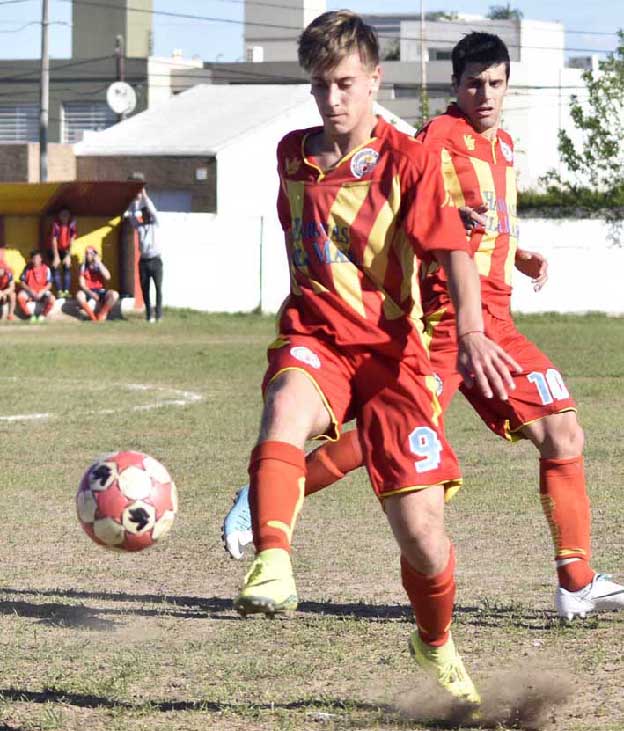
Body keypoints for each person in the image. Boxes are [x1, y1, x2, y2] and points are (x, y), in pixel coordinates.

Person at [223, 32, 624, 622]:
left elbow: (476, 222)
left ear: (509, 85)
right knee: (393, 436)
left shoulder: (505, 146)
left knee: (563, 433)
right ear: (454, 87)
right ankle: (269, 492)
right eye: (471, 84)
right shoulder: (436, 138)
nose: (483, 95)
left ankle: (576, 580)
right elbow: (413, 203)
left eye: (494, 84)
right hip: (441, 322)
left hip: (496, 322)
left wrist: (518, 253)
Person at [232, 11, 519, 707]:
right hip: (318, 336)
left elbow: (452, 248)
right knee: (285, 410)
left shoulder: (409, 159)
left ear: (374, 80)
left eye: (345, 85)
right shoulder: (291, 154)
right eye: (321, 87)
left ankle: (435, 639)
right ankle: (272, 559)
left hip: (395, 355)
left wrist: (475, 334)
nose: (333, 101)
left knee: (424, 536)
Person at [126, 189, 163, 322]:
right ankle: (149, 314)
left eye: (147, 213)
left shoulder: (156, 224)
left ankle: (159, 314)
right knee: (145, 289)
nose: (146, 215)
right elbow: (131, 216)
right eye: (144, 214)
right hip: (144, 260)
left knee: (158, 287)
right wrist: (135, 201)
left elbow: (153, 209)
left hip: (156, 259)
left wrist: (145, 196)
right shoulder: (140, 227)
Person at [76, 247, 119, 321]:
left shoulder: (99, 265)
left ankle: (101, 315)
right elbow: (82, 285)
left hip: (100, 290)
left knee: (115, 294)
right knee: (79, 295)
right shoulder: (83, 266)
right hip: (89, 290)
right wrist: (91, 293)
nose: (88, 255)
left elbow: (108, 277)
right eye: (86, 253)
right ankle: (93, 317)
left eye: (90, 253)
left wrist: (99, 263)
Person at [17, 250, 55, 322]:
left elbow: (50, 284)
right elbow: (22, 282)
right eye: (34, 258)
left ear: (41, 259)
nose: (35, 260)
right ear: (31, 259)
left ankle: (43, 315)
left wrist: (42, 291)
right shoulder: (27, 268)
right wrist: (30, 290)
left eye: (37, 258)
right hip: (30, 292)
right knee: (20, 296)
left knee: (52, 298)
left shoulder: (46, 269)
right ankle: (29, 315)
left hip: (42, 292)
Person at [49, 207, 77, 298]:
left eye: (66, 215)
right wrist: (56, 256)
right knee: (55, 266)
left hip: (65, 249)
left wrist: (68, 255)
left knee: (67, 266)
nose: (64, 217)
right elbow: (54, 240)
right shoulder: (56, 224)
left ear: (69, 216)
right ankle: (59, 291)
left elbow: (72, 240)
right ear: (59, 216)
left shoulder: (72, 224)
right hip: (54, 248)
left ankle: (66, 291)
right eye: (62, 215)